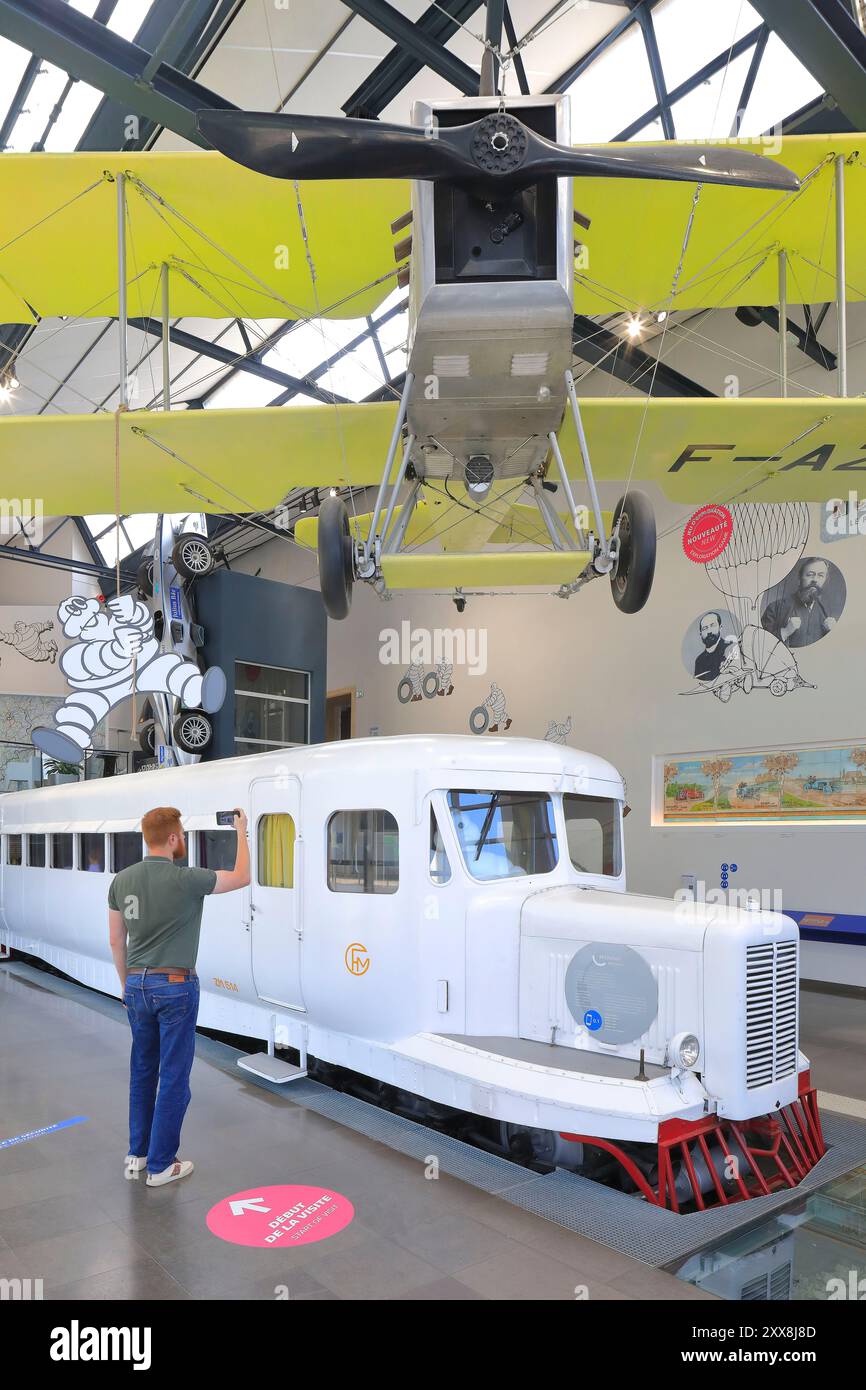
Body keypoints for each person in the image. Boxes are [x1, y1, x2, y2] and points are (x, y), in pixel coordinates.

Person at [108, 805, 250, 1187]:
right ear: (172, 838)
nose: (184, 839)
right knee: (173, 1076)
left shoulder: (121, 880)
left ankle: (137, 1154)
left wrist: (126, 985)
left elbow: (115, 940)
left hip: (136, 984)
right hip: (176, 987)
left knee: (142, 1070)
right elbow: (241, 877)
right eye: (182, 833)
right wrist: (242, 831)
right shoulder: (188, 879)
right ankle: (161, 1165)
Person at [762, 557, 837, 648]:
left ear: (825, 580)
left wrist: (833, 634)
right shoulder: (775, 608)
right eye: (810, 574)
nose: (815, 580)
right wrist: (785, 632)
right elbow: (761, 643)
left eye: (820, 575)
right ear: (799, 579)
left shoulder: (828, 612)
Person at [693, 611, 740, 683]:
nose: (709, 631)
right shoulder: (699, 660)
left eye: (712, 625)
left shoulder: (732, 649)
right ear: (700, 634)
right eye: (705, 628)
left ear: (720, 627)